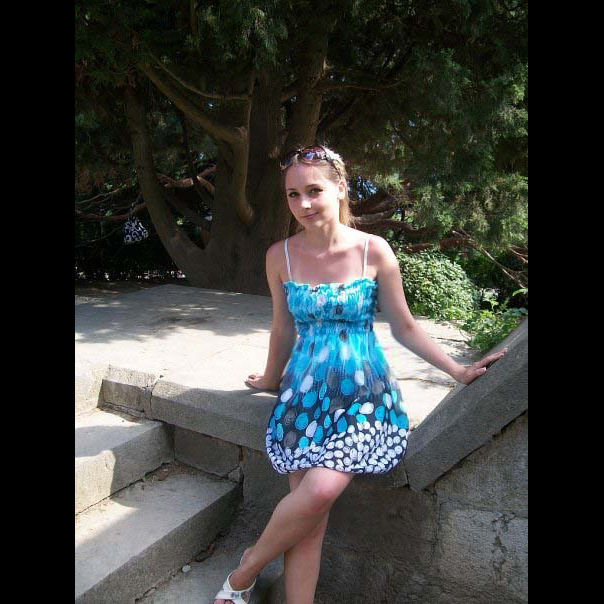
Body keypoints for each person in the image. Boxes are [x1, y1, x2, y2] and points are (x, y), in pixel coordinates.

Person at [213, 145, 507, 604]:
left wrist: (457, 369)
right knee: (310, 524)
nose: (303, 203)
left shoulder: (374, 250)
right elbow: (282, 327)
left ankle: (245, 571)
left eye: (314, 190)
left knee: (319, 492)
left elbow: (405, 326)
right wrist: (271, 379)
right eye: (293, 194)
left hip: (364, 396)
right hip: (304, 397)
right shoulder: (279, 256)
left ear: (340, 188)